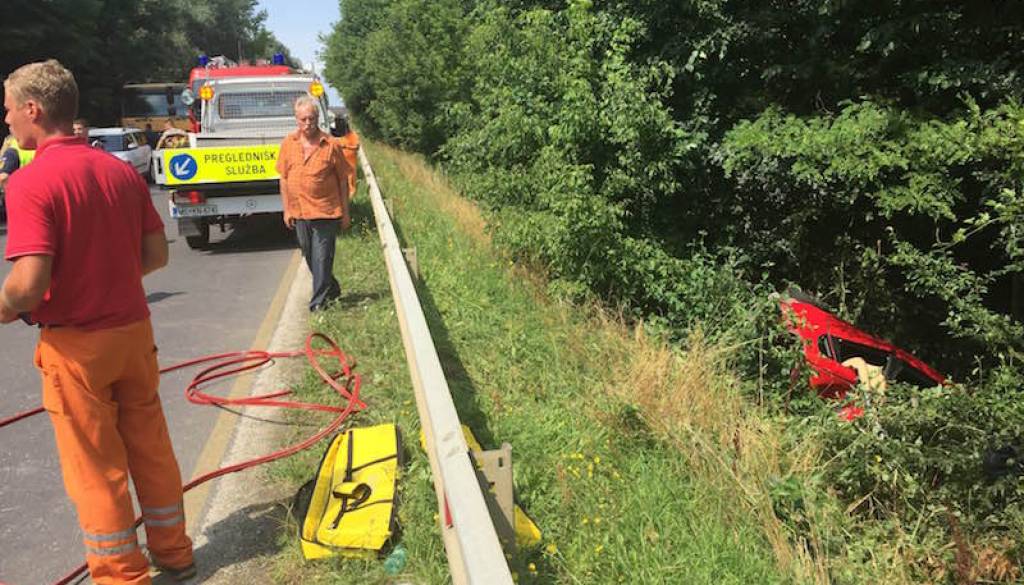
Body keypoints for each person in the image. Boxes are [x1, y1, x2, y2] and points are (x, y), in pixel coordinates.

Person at [1, 60, 194, 584]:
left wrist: (6, 306)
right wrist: (108, 277)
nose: (7, 120)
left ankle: (121, 575)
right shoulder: (119, 172)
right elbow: (156, 255)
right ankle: (175, 552)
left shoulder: (29, 182)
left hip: (77, 347)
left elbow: (28, 284)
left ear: (33, 109)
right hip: (133, 333)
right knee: (151, 448)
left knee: (95, 468)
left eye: (9, 109)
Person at [276, 96, 351, 312]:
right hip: (299, 211)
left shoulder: (331, 145)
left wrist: (345, 213)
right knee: (309, 255)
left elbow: (343, 180)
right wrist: (287, 209)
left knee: (322, 257)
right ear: (296, 119)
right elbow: (284, 178)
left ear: (318, 118)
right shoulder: (288, 144)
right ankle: (331, 287)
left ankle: (318, 303)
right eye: (303, 119)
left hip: (326, 211)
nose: (308, 123)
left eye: (311, 118)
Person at [334, 116, 360, 200]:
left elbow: (356, 147)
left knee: (351, 182)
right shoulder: (340, 137)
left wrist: (346, 147)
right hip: (341, 163)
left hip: (351, 164)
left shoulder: (353, 135)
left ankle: (351, 199)